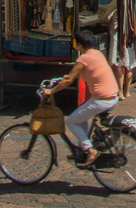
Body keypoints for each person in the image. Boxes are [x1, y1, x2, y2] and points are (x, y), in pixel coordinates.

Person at [42, 28, 118, 166]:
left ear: (80, 45)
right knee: (81, 114)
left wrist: (51, 91)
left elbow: (68, 81)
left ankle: (90, 150)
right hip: (113, 95)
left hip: (101, 100)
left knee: (71, 121)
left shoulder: (83, 58)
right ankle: (82, 148)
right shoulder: (97, 54)